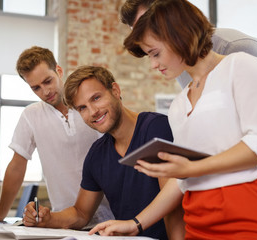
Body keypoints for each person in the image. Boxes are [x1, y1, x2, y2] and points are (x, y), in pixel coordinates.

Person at [90, 0, 257, 239]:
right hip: (197, 221)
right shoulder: (179, 104)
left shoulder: (241, 65)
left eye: (155, 53)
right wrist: (135, 223)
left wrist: (193, 167)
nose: (154, 65)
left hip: (246, 215)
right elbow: (180, 182)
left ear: (178, 35)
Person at [22, 65, 185, 240]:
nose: (93, 111)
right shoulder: (96, 155)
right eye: (82, 108)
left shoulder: (155, 128)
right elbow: (81, 213)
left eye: (96, 98)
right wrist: (47, 218)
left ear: (115, 90)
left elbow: (173, 206)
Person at [0, 46, 114, 227]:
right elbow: (16, 167)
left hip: (111, 216)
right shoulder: (31, 116)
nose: (45, 91)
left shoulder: (88, 106)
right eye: (36, 88)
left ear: (59, 71)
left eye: (48, 81)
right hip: (65, 219)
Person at [120, 0, 257, 100]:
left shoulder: (238, 48)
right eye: (136, 30)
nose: (143, 34)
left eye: (146, 23)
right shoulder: (179, 63)